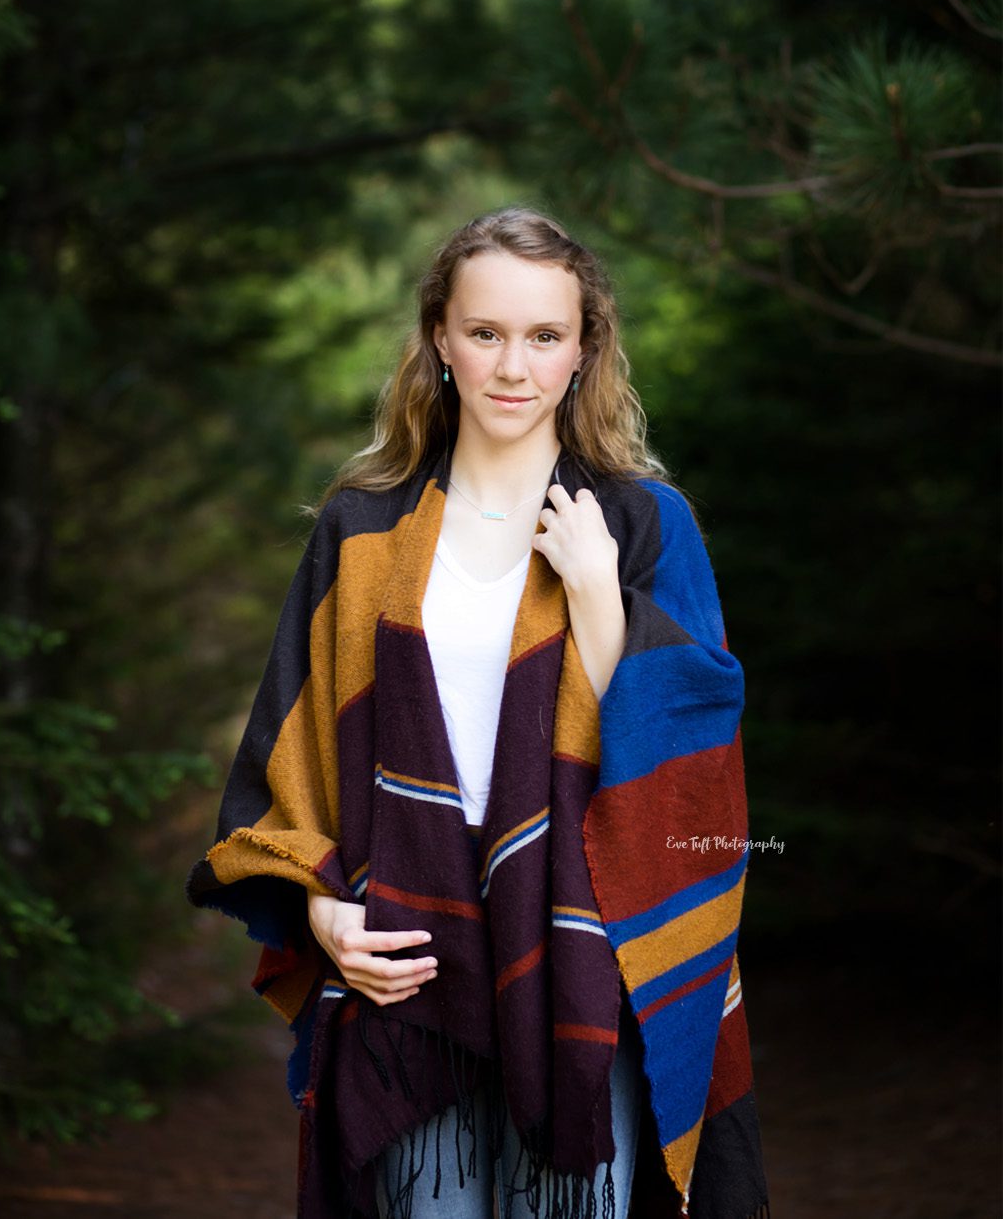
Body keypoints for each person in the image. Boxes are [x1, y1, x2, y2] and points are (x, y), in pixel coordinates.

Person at [185, 209, 770, 1219]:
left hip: (585, 950)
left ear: (583, 350)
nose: (513, 364)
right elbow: (292, 754)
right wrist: (322, 911)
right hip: (408, 956)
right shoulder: (360, 529)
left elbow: (688, 769)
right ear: (439, 341)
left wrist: (594, 595)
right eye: (484, 332)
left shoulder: (640, 523)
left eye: (543, 335)